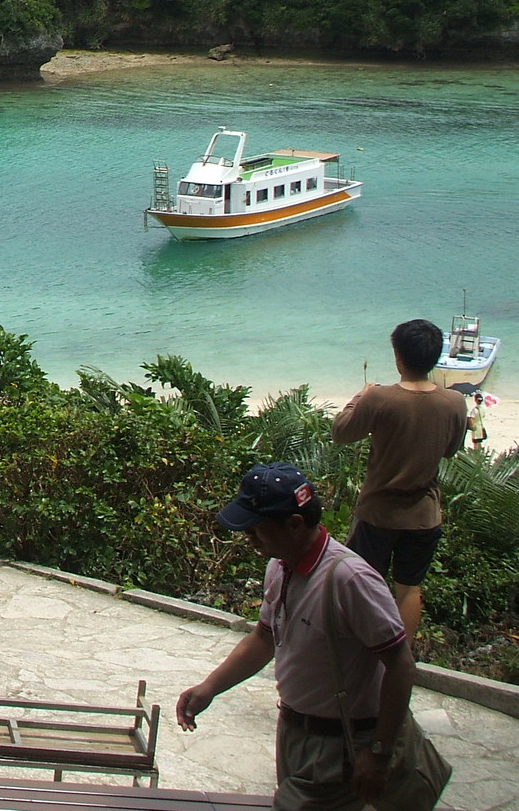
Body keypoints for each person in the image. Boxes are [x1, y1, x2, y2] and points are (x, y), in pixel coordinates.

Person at [176, 463, 416, 811]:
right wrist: (210, 687)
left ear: (294, 524)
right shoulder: (280, 565)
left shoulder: (349, 580)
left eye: (256, 530)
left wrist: (379, 751)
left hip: (340, 742)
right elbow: (264, 638)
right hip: (295, 731)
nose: (249, 539)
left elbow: (401, 666)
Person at [332, 319, 469, 639]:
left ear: (398, 356)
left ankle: (363, 648)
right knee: (409, 589)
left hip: (378, 512)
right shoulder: (454, 402)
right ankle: (401, 657)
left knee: (365, 583)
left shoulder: (379, 398)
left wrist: (358, 397)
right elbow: (450, 450)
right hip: (423, 514)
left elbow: (341, 432)